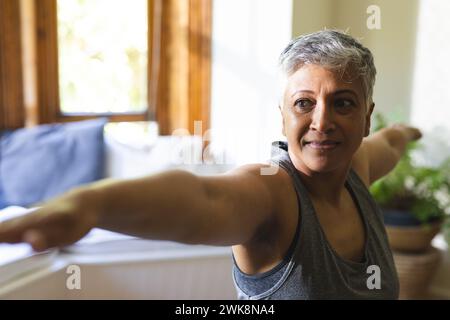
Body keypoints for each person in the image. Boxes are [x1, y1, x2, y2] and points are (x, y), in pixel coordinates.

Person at [0, 30, 421, 299]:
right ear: (283, 115)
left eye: (342, 103)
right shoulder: (274, 192)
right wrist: (91, 205)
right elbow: (204, 197)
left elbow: (392, 141)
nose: (322, 121)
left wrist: (408, 130)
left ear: (366, 116)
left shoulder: (357, 169)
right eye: (304, 103)